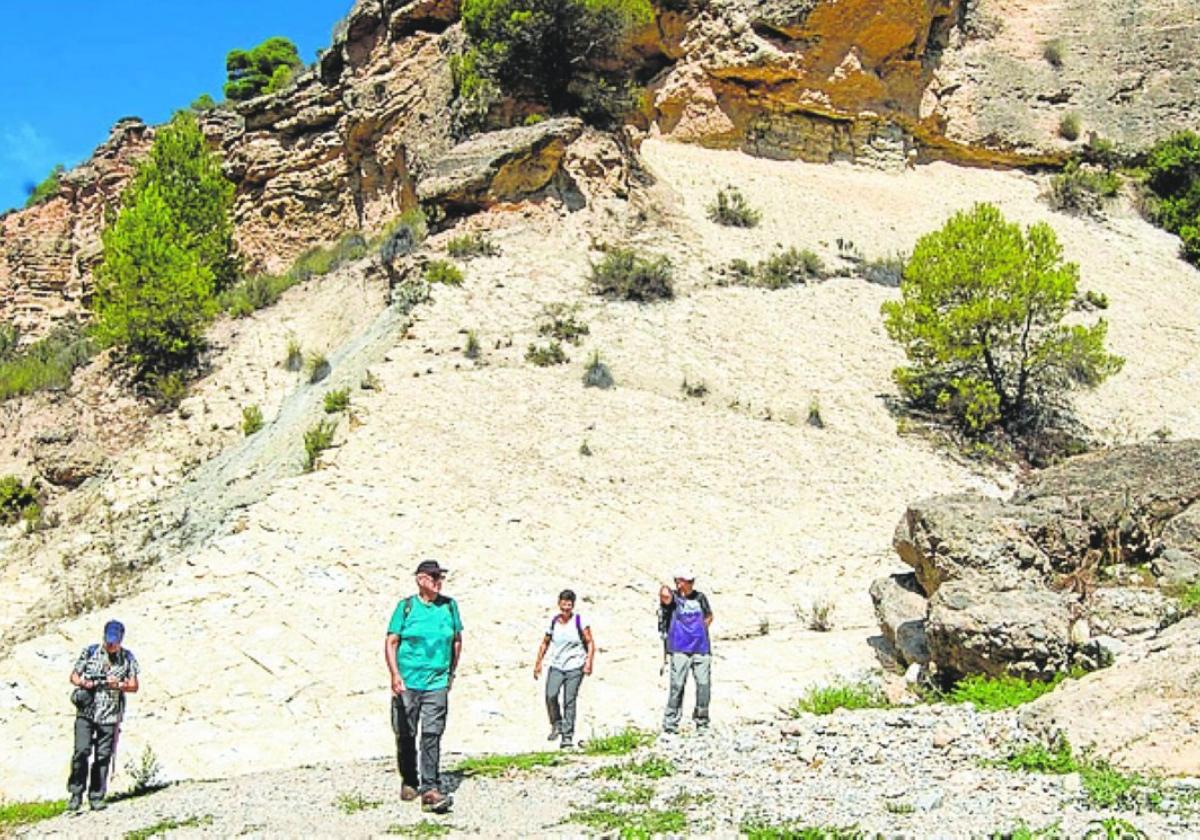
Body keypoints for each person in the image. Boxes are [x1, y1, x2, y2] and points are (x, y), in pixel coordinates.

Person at [385, 560, 463, 814]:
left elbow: (457, 641)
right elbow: (392, 641)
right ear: (420, 579)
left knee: (432, 733)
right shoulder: (406, 607)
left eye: (440, 577)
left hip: (437, 682)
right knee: (406, 732)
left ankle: (430, 788)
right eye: (433, 577)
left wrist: (450, 672)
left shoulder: (449, 606)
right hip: (408, 681)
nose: (438, 581)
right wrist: (395, 675)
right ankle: (409, 778)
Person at [67, 619, 139, 812]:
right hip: (86, 711)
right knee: (81, 751)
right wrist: (83, 682)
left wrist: (118, 684)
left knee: (103, 756)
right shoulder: (90, 652)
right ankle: (76, 793)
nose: (111, 645)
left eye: (114, 642)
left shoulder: (128, 658)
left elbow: (134, 686)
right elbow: (73, 676)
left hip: (110, 714)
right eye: (108, 641)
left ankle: (97, 796)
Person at [532, 589, 595, 750]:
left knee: (569, 700)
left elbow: (590, 642)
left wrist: (588, 662)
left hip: (575, 665)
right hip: (557, 665)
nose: (566, 607)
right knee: (550, 695)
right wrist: (538, 662)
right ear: (559, 603)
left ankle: (567, 737)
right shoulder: (553, 622)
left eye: (569, 604)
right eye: (564, 603)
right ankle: (556, 723)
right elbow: (545, 642)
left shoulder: (580, 621)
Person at [658, 569, 712, 734]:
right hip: (680, 649)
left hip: (701, 649)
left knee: (704, 685)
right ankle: (671, 723)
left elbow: (709, 615)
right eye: (685, 581)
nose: (689, 584)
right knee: (677, 685)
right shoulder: (675, 599)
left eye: (690, 581)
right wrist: (673, 587)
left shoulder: (700, 597)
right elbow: (664, 595)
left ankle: (702, 721)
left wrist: (700, 630)